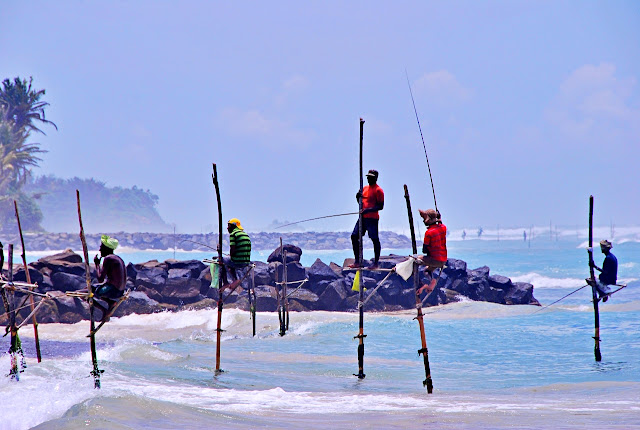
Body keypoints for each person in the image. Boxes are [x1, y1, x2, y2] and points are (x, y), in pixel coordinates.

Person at [349, 169, 384, 269]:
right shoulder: (364, 188)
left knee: (374, 239)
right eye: (368, 177)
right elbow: (361, 203)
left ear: (376, 178)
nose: (369, 179)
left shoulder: (378, 190)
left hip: (372, 218)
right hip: (362, 218)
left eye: (371, 177)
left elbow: (380, 206)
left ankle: (376, 263)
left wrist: (368, 210)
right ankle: (357, 261)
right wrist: (357, 197)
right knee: (354, 236)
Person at [93, 235, 127, 322]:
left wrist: (97, 264)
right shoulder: (117, 258)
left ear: (106, 248)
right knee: (89, 288)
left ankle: (104, 310)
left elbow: (100, 278)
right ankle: (110, 302)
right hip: (120, 291)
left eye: (101, 247)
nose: (100, 250)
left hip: (113, 291)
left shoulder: (108, 258)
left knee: (87, 292)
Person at [417, 209, 447, 295]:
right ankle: (432, 281)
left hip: (434, 260)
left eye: (424, 219)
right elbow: (440, 223)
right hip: (443, 260)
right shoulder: (443, 228)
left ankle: (421, 285)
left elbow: (424, 250)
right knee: (426, 271)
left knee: (414, 261)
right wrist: (439, 217)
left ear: (428, 220)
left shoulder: (429, 233)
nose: (423, 221)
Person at [221, 218, 251, 285]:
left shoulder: (233, 234)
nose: (227, 228)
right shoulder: (245, 234)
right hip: (246, 262)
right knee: (230, 261)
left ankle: (226, 282)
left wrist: (230, 255)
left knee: (220, 259)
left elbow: (233, 248)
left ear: (232, 226)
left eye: (228, 226)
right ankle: (234, 280)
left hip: (238, 262)